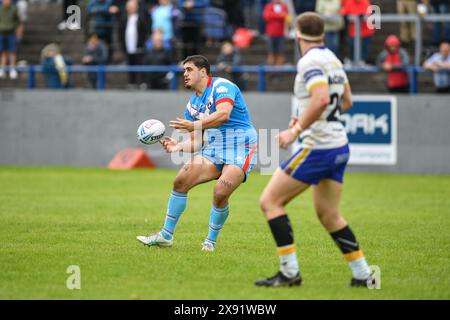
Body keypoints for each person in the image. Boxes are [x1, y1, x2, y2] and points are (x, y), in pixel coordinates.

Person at [255, 12, 373, 288]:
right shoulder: (333, 58)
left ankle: (289, 273)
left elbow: (320, 99)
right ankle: (363, 275)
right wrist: (308, 117)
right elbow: (347, 101)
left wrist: (295, 130)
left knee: (270, 202)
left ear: (297, 35)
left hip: (318, 147)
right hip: (339, 145)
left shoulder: (309, 62)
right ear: (323, 33)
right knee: (329, 215)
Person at [136, 55, 258, 252]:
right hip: (215, 146)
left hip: (241, 145)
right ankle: (165, 235)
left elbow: (223, 114)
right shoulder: (192, 105)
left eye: (189, 70)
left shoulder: (222, 86)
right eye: (184, 70)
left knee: (220, 192)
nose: (184, 74)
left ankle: (210, 242)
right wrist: (177, 147)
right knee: (181, 180)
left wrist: (193, 125)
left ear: (203, 72)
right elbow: (197, 141)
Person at [118, 0, 150, 87]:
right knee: (130, 65)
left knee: (141, 65)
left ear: (137, 7)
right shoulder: (124, 19)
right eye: (129, 7)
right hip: (128, 47)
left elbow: (145, 32)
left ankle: (142, 83)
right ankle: (132, 83)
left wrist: (142, 43)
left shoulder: (141, 18)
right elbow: (120, 33)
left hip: (139, 47)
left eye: (133, 7)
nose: (131, 8)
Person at [262, 0, 289, 66]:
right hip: (271, 34)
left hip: (281, 34)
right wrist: (280, 15)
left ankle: (279, 71)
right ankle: (271, 71)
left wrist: (274, 16)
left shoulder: (284, 6)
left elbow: (287, 17)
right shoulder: (268, 6)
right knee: (271, 53)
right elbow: (266, 16)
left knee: (280, 53)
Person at [0, 0, 20, 79]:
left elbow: (18, 21)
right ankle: (2, 69)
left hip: (11, 34)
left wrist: (13, 28)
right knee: (3, 52)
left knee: (12, 51)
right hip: (1, 33)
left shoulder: (14, 9)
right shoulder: (0, 9)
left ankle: (12, 69)